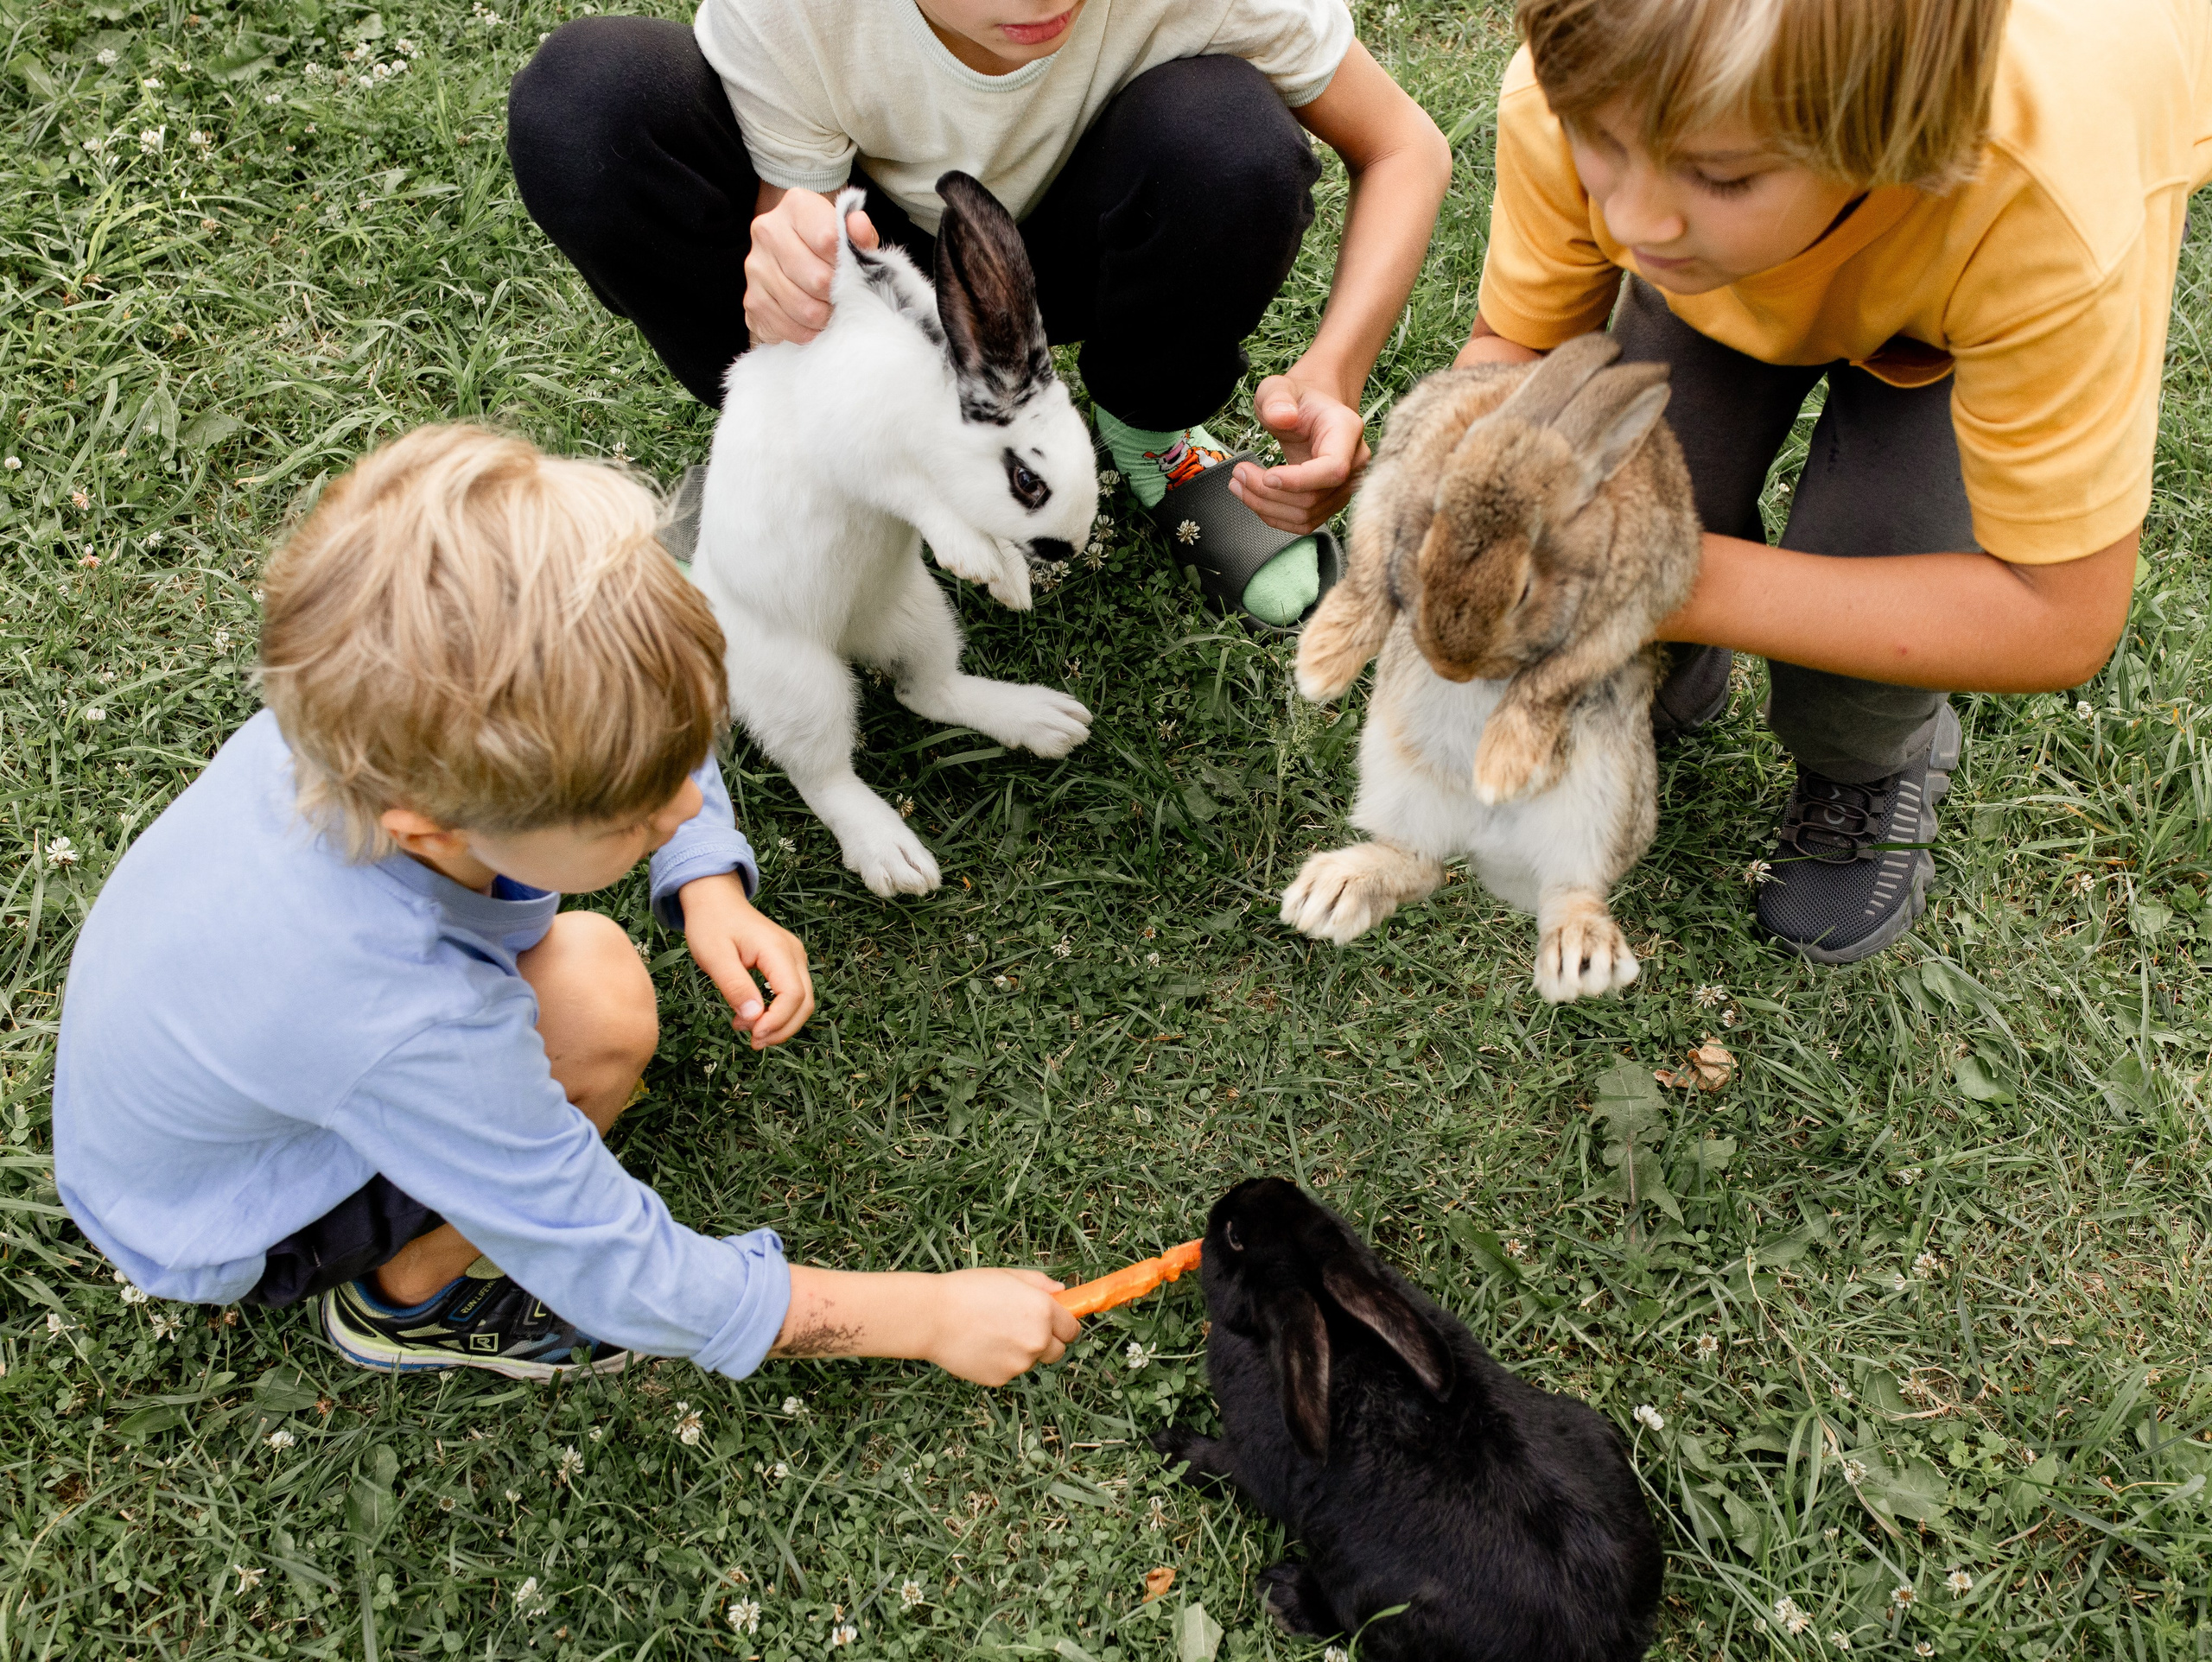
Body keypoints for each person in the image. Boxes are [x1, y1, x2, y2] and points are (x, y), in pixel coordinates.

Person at [52, 426, 1078, 1386]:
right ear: (430, 826)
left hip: (210, 1089)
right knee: (598, 1010)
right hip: (228, 1215)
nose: (681, 802)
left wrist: (705, 874)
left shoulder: (363, 710)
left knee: (585, 965)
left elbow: (648, 697)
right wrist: (929, 1317)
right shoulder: (406, 1017)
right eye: (631, 816)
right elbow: (618, 1268)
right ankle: (407, 1300)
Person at [1458, 0, 2211, 962]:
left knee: (1882, 568)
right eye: (1597, 143)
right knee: (1633, 461)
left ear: (1893, 127)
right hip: (1771, 231)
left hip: (1966, 236)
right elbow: (1518, 350)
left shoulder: (2051, 191)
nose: (1628, 216)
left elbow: (2055, 613)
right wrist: (1472, 489)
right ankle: (1646, 676)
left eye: (1720, 173)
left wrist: (1667, 577)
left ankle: (1867, 761)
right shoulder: (1604, 72)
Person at [505, 0, 1451, 632]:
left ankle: (1151, 429)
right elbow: (795, 214)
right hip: (896, 265)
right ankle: (798, 464)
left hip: (1090, 236)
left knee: (1231, 144)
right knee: (591, 101)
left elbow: (1404, 145)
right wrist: (785, 275)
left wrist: (1332, 374)